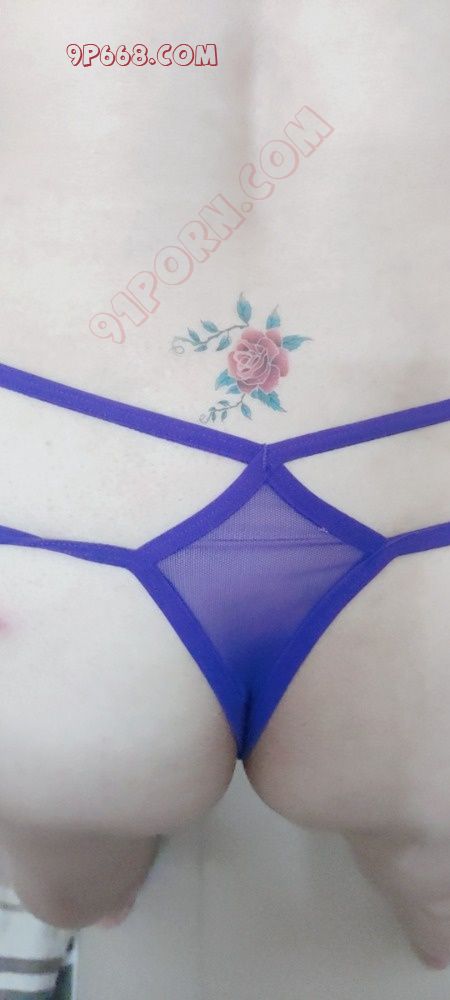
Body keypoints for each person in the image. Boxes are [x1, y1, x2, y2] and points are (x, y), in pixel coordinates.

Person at [1, 0, 450, 971]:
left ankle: (91, 891)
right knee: (435, 888)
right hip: (425, 521)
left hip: (54, 523)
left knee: (76, 879)